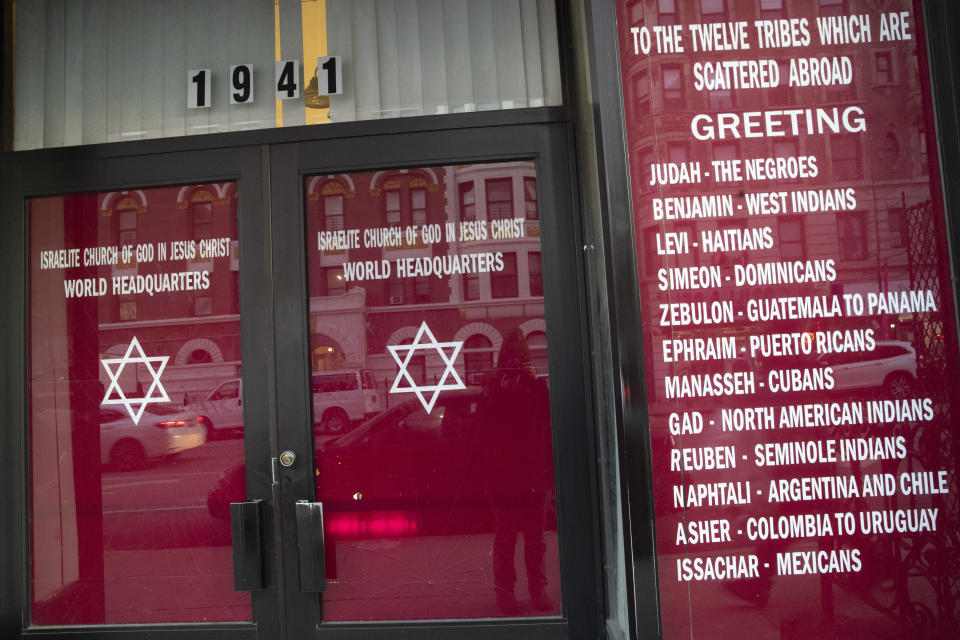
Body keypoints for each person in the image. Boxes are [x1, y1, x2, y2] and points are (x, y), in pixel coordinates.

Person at [481, 327, 554, 614]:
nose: (513, 366)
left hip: (526, 473)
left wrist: (533, 386)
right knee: (512, 537)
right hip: (509, 475)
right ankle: (513, 593)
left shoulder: (535, 388)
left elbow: (546, 422)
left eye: (517, 360)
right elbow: (486, 429)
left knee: (527, 538)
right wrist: (500, 390)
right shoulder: (495, 389)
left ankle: (531, 591)